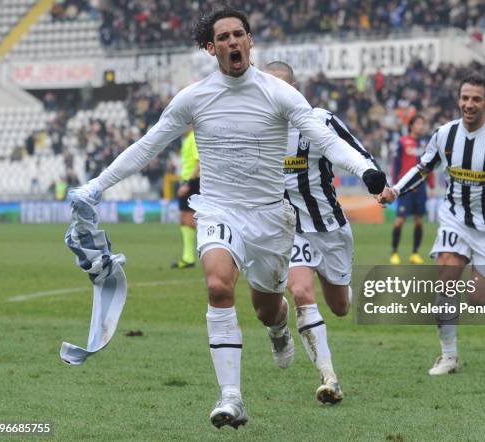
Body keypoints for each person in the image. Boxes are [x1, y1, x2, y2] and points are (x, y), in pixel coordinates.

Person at [77, 7, 387, 429]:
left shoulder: (278, 93)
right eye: (223, 37)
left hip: (270, 219)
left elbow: (325, 140)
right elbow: (148, 146)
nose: (233, 42)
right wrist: (97, 185)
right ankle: (231, 397)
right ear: (211, 48)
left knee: (267, 308)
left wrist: (366, 171)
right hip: (219, 209)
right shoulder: (195, 97)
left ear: (250, 40)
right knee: (218, 285)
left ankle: (278, 329)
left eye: (239, 34)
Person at [379, 73, 485, 376]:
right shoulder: (445, 134)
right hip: (455, 219)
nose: (469, 104)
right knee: (446, 279)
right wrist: (395, 189)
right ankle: (448, 356)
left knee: (478, 299)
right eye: (465, 97)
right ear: (459, 100)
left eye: (476, 98)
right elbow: (424, 168)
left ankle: (480, 281)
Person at [265, 61, 384, 405]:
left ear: (295, 89)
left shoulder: (320, 121)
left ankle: (339, 291)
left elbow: (355, 152)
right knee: (302, 293)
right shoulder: (257, 128)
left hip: (330, 226)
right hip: (290, 229)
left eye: (282, 88)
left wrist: (375, 181)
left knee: (341, 306)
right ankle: (329, 378)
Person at [389, 114, 433, 265]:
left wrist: (431, 184)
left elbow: (429, 166)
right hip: (405, 188)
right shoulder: (402, 142)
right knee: (399, 220)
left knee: (419, 221)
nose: (422, 126)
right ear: (412, 125)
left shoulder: (426, 143)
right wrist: (395, 184)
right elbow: (396, 163)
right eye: (419, 123)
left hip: (421, 189)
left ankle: (415, 253)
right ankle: (394, 252)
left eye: (423, 123)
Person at [171, 127, 200, 269]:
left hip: (193, 182)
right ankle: (187, 257)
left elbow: (199, 162)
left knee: (189, 219)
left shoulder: (194, 137)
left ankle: (190, 258)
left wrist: (189, 184)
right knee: (184, 218)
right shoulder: (188, 138)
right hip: (188, 181)